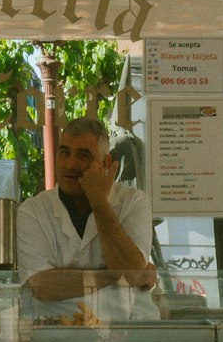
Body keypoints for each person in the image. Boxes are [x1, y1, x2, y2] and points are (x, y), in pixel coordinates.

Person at [16, 116, 158, 323]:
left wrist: (99, 201)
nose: (70, 164)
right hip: (58, 331)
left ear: (105, 163)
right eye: (64, 152)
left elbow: (130, 270)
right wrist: (116, 276)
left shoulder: (134, 202)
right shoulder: (33, 210)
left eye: (83, 155)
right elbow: (41, 286)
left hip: (130, 330)